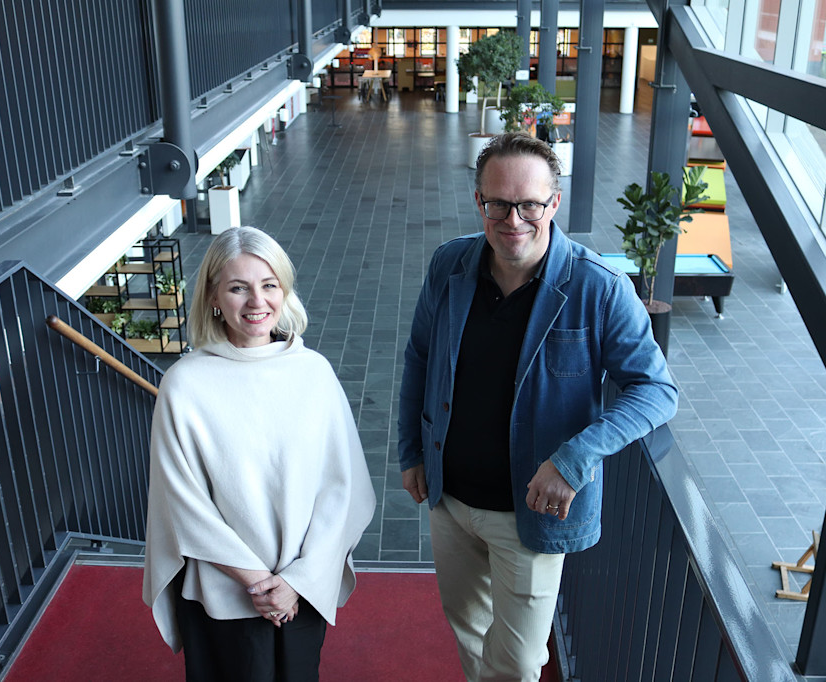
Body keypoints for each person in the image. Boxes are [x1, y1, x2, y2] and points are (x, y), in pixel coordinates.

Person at [398, 133, 678, 681]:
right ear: (479, 201)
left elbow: (656, 390)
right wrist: (411, 450)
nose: (513, 219)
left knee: (520, 661)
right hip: (450, 499)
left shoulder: (600, 287)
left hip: (529, 512)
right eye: (498, 204)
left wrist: (574, 459)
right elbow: (420, 357)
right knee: (468, 629)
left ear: (554, 203)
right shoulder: (450, 264)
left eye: (529, 204)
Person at [143, 226, 375, 681]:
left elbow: (342, 489)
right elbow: (181, 502)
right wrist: (256, 581)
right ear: (213, 296)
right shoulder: (184, 384)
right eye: (238, 288)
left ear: (284, 291)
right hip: (222, 594)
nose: (257, 301)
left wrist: (296, 581)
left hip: (300, 590)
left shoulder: (314, 374)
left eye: (269, 285)